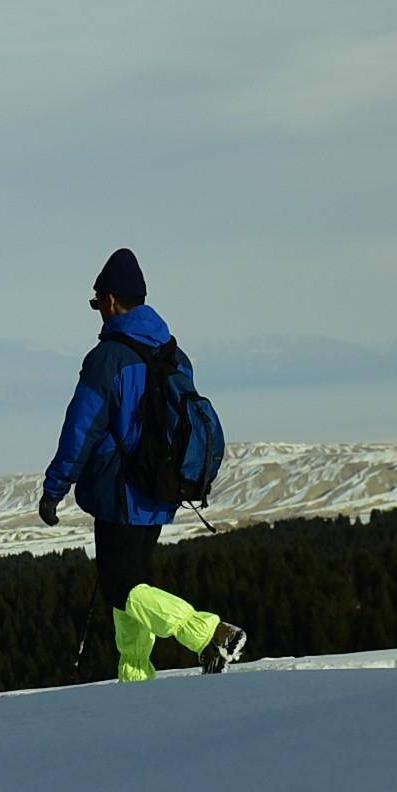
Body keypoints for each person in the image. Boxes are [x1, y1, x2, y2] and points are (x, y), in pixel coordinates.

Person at [39, 248, 250, 682]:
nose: (98, 311)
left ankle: (209, 631)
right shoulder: (173, 353)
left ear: (112, 300)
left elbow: (81, 429)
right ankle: (135, 677)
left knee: (121, 586)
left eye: (98, 303)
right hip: (160, 486)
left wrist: (55, 487)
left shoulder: (109, 359)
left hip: (120, 490)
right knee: (130, 586)